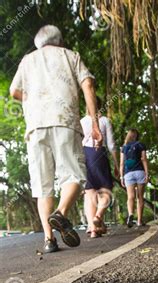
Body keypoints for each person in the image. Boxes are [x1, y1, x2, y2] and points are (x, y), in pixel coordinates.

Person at [9, 25, 102, 253]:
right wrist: (95, 122)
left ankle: (49, 241)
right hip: (65, 121)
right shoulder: (70, 56)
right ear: (59, 41)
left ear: (38, 43)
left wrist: (31, 101)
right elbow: (88, 84)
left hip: (35, 127)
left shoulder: (27, 60)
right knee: (74, 175)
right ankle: (60, 213)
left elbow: (14, 91)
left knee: (43, 185)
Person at [80, 97, 119, 238]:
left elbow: (77, 144)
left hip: (85, 156)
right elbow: (111, 145)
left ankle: (93, 230)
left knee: (90, 193)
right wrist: (116, 165)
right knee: (106, 190)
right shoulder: (104, 121)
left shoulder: (81, 122)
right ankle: (98, 216)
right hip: (99, 154)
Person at [120, 129, 149, 227]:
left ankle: (131, 214)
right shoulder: (141, 145)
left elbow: (121, 164)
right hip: (140, 172)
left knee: (130, 197)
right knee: (140, 197)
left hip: (128, 174)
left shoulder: (124, 147)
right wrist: (147, 173)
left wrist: (121, 177)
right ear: (136, 136)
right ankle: (140, 221)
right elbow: (144, 159)